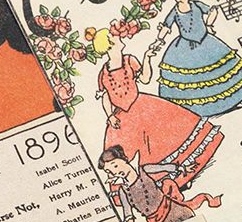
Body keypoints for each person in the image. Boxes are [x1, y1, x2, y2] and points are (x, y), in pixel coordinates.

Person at [92, 26, 222, 186]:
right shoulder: (104, 73)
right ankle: (161, 183)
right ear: (110, 45)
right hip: (122, 120)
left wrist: (147, 58)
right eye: (116, 37)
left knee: (166, 137)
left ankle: (181, 174)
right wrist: (110, 115)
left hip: (143, 106)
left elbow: (145, 79)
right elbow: (106, 97)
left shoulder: (129, 61)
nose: (120, 38)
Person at [147, 0, 242, 115]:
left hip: (206, 42)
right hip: (183, 48)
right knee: (190, 81)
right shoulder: (175, 11)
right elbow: (166, 26)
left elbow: (213, 10)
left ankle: (225, 104)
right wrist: (158, 41)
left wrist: (209, 24)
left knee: (217, 74)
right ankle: (195, 111)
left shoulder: (196, 5)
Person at [98, 147, 204, 222]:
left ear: (124, 160)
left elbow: (163, 168)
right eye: (109, 171)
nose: (115, 172)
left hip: (173, 210)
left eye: (115, 166)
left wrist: (182, 168)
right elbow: (128, 213)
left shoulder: (144, 170)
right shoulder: (123, 191)